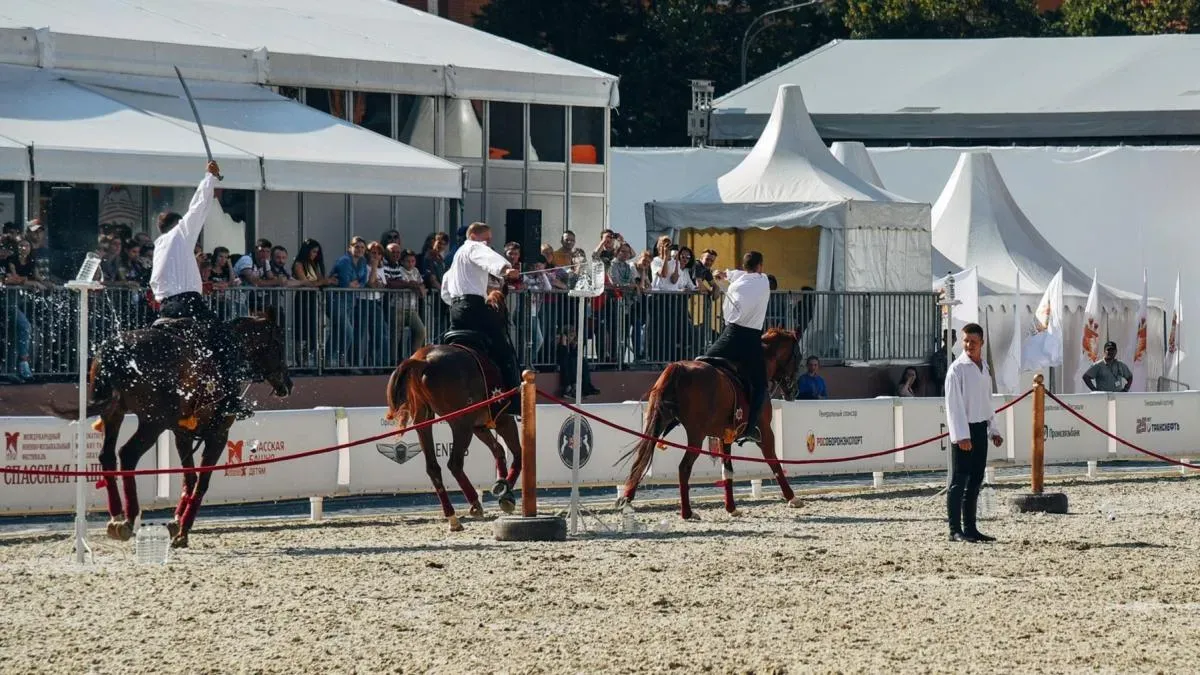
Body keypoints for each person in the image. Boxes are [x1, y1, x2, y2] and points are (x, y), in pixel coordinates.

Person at [148, 161, 251, 420]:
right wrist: (210, 177)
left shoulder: (159, 245)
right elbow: (199, 205)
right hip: (187, 304)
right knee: (225, 341)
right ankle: (229, 399)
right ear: (178, 223)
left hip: (166, 305)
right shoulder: (181, 233)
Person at [440, 222, 521, 391]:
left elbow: (445, 291)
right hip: (473, 308)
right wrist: (506, 269)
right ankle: (515, 395)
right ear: (473, 237)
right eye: (487, 239)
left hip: (455, 310)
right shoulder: (473, 247)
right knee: (504, 346)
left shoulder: (456, 260)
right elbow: (488, 258)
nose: (488, 244)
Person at [944, 322, 1004, 543]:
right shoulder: (957, 370)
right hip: (964, 430)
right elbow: (954, 406)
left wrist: (993, 429)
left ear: (982, 342)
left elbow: (987, 401)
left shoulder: (984, 367)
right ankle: (954, 529)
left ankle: (970, 527)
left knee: (976, 479)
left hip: (980, 428)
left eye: (973, 341)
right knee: (959, 480)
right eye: (966, 341)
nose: (969, 345)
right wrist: (961, 436)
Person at [705, 251, 771, 445]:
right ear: (760, 266)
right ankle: (750, 429)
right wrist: (726, 274)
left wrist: (723, 274)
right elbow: (745, 273)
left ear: (745, 266)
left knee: (702, 363)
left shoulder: (736, 282)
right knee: (760, 385)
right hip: (750, 340)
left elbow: (738, 274)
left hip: (730, 335)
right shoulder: (764, 280)